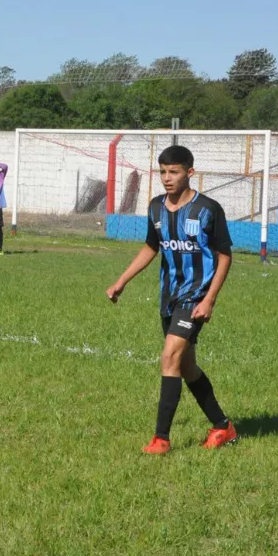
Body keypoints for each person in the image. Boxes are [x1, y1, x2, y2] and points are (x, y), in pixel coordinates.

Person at [106, 145, 238, 454]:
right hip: (169, 297)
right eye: (163, 172)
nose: (167, 178)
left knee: (169, 358)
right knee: (186, 367)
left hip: (195, 297)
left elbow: (225, 256)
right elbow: (151, 248)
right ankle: (223, 427)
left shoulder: (208, 209)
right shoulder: (155, 208)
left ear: (189, 173)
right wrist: (121, 282)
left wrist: (210, 300)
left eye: (174, 172)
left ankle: (161, 439)